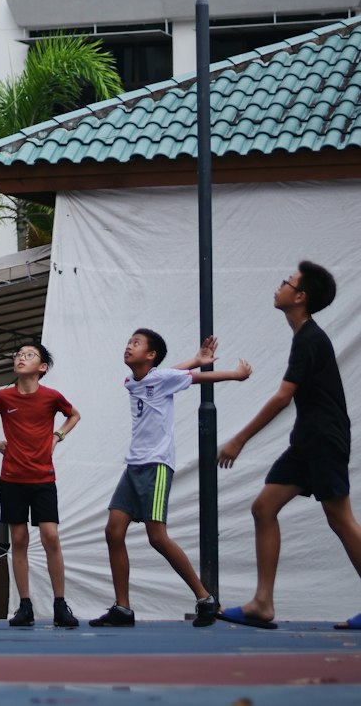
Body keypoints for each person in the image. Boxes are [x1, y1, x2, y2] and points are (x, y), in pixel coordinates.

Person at [217, 262, 361, 630]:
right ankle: (262, 603)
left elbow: (283, 397)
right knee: (264, 508)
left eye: (287, 282)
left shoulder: (311, 338)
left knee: (340, 519)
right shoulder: (304, 337)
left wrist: (238, 438)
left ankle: (264, 601)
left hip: (324, 440)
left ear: (300, 297)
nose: (278, 286)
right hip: (307, 440)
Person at [90, 329, 251, 629]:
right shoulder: (132, 382)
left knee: (157, 537)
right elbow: (163, 375)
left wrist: (235, 374)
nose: (128, 346)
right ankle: (122, 608)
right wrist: (195, 359)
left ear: (150, 355)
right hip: (133, 466)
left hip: (157, 466)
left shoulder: (161, 379)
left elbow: (193, 379)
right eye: (128, 342)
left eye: (135, 344)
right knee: (113, 532)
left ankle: (205, 598)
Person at [0, 341, 81, 629]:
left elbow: (74, 415)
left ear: (42, 367)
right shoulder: (4, 397)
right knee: (18, 541)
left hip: (43, 478)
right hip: (11, 480)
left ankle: (60, 604)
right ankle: (24, 605)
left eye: (29, 355)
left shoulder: (51, 397)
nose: (21, 358)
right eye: (18, 354)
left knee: (51, 537)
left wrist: (58, 436)